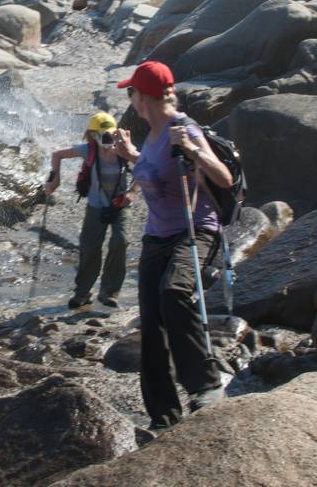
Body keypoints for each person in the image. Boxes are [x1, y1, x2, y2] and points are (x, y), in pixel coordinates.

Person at [113, 60, 232, 430]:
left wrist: (194, 152)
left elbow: (224, 180)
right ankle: (163, 415)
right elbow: (153, 174)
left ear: (142, 96)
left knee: (176, 292)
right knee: (151, 328)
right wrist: (130, 157)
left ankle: (205, 384)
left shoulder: (183, 127)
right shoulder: (149, 135)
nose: (130, 98)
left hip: (195, 229)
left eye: (131, 91)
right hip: (156, 236)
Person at [45, 111, 134, 309]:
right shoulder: (88, 149)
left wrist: (133, 192)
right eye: (102, 134)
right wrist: (55, 178)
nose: (107, 138)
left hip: (121, 204)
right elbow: (57, 154)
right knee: (90, 247)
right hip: (96, 204)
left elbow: (145, 167)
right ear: (93, 135)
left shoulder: (124, 149)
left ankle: (109, 292)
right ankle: (82, 293)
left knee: (121, 241)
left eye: (110, 133)